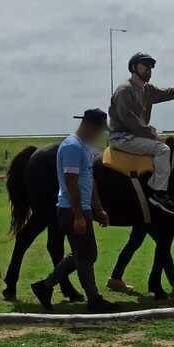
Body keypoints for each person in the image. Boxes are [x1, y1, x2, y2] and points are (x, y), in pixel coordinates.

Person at [31, 109, 118, 313]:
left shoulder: (83, 147)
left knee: (84, 254)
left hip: (82, 208)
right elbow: (71, 183)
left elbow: (89, 179)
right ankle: (94, 299)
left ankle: (45, 286)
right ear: (90, 126)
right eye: (99, 130)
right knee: (86, 256)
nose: (100, 134)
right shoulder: (72, 147)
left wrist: (98, 208)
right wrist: (78, 215)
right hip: (71, 209)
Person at [108, 52, 174, 215]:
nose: (149, 70)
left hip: (137, 136)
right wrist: (154, 135)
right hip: (122, 138)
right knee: (163, 149)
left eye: (151, 67)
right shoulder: (124, 90)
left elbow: (169, 93)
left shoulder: (147, 89)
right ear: (134, 67)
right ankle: (158, 193)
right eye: (145, 66)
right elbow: (130, 121)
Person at [106, 225, 174, 295]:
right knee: (162, 244)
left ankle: (115, 278)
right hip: (147, 214)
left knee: (133, 243)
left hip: (142, 213)